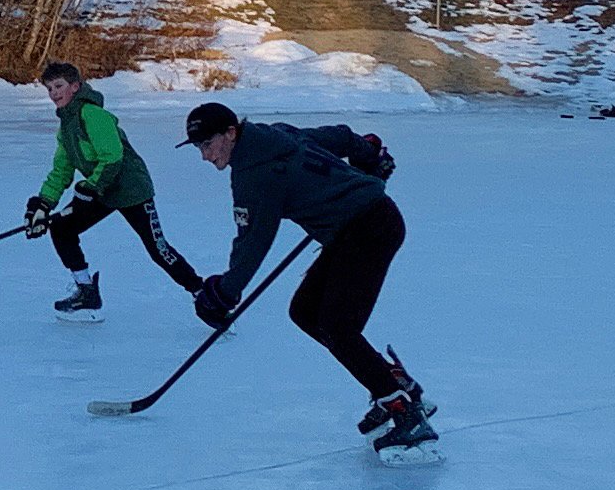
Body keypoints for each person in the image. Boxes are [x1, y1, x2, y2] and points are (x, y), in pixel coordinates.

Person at [180, 98, 432, 458]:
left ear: (231, 133)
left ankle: (405, 413)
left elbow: (254, 241)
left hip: (369, 228)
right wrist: (370, 154)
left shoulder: (254, 174)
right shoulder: (275, 135)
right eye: (198, 147)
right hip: (359, 227)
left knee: (338, 326)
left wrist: (224, 293)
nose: (205, 156)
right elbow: (341, 137)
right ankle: (393, 383)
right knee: (305, 311)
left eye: (207, 144)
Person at [23, 58, 200, 317]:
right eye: (49, 89)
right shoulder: (66, 126)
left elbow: (112, 156)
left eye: (59, 86)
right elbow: (62, 170)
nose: (54, 93)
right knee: (61, 228)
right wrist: (43, 204)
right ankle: (87, 291)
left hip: (130, 188)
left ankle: (202, 292)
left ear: (75, 86)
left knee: (158, 249)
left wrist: (91, 188)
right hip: (100, 190)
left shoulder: (92, 114)